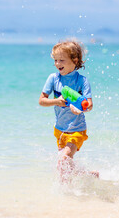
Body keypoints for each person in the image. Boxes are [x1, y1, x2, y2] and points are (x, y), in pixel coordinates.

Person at [38, 40, 98, 182]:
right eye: (55, 60)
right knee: (64, 166)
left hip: (77, 129)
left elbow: (89, 105)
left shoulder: (82, 81)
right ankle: (89, 175)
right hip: (60, 130)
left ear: (74, 60)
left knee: (64, 159)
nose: (58, 64)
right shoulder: (53, 78)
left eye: (62, 60)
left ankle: (66, 194)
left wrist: (79, 109)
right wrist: (57, 101)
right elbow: (41, 101)